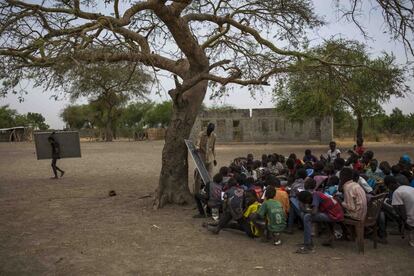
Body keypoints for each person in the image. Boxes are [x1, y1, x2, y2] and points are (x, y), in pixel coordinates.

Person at [385, 177, 414, 247]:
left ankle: (411, 238)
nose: (388, 189)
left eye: (387, 186)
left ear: (390, 185)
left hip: (412, 219)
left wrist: (404, 221)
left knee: (384, 205)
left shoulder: (397, 192)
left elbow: (401, 210)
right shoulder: (407, 187)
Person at [195, 123, 217, 193]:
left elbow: (213, 148)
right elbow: (198, 142)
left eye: (211, 131)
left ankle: (208, 192)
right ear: (207, 128)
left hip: (210, 158)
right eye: (209, 130)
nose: (209, 132)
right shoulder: (201, 134)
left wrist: (214, 159)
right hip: (202, 157)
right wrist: (197, 147)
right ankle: (196, 192)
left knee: (210, 175)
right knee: (198, 175)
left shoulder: (214, 136)